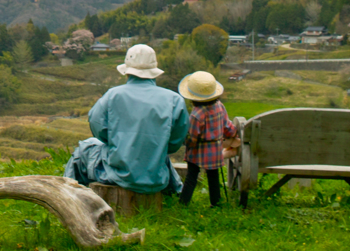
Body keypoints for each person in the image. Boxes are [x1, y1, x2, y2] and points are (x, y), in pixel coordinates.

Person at [64, 44, 188, 195]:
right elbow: (175, 142)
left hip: (119, 173)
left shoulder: (113, 95)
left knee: (84, 149)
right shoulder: (174, 100)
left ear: (127, 70)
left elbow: (96, 125)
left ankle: (70, 195)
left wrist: (117, 142)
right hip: (156, 176)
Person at [178, 71, 238, 207]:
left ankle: (183, 202)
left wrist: (185, 142)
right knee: (213, 177)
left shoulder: (196, 114)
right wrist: (233, 134)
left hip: (198, 150)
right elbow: (227, 126)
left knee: (191, 177)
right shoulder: (219, 107)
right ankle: (216, 203)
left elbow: (192, 137)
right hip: (215, 149)